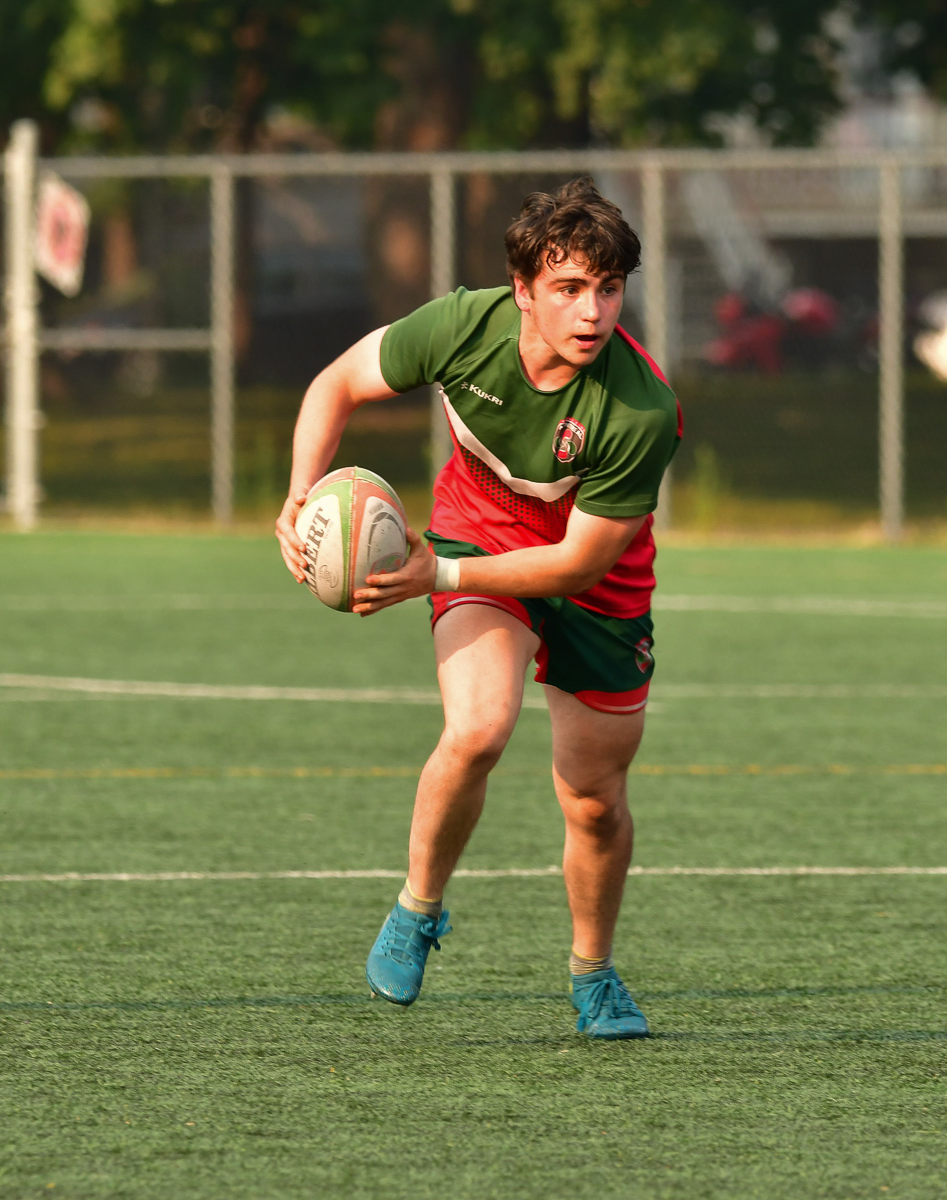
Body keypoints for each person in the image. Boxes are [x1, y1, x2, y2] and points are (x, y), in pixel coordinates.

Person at [275, 179, 680, 1039]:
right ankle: (418, 907)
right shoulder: (463, 326)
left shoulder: (640, 406)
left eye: (609, 289)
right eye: (570, 288)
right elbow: (334, 385)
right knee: (478, 729)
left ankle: (593, 973)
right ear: (523, 289)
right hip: (474, 534)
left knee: (594, 798)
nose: (593, 311)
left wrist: (437, 580)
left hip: (597, 585)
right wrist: (300, 494)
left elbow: (578, 562)